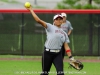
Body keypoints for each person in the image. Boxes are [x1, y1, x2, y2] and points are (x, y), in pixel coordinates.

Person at [25, 6, 75, 75]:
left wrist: (71, 58)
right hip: (47, 54)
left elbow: (66, 46)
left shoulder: (64, 33)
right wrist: (31, 10)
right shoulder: (50, 27)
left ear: (62, 21)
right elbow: (38, 20)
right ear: (54, 21)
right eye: (57, 19)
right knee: (45, 73)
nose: (59, 20)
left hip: (58, 54)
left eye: (60, 19)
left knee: (61, 73)